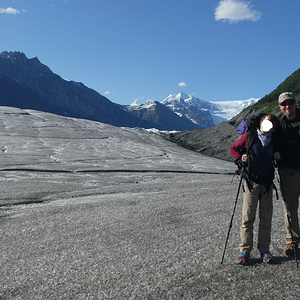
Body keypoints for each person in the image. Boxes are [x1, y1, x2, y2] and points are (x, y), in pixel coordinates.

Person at [230, 114, 280, 265]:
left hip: (266, 184)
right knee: (248, 217)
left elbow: (277, 156)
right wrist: (240, 159)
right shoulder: (249, 136)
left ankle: (264, 250)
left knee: (266, 218)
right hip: (251, 182)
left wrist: (278, 156)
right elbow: (233, 148)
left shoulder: (274, 139)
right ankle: (244, 251)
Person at [278, 92, 300, 257]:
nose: (287, 106)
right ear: (280, 106)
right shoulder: (278, 126)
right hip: (288, 172)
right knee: (290, 209)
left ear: (295, 103)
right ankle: (292, 241)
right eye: (284, 104)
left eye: (290, 103)